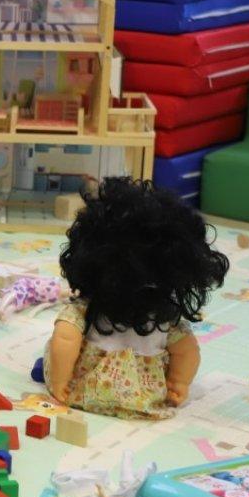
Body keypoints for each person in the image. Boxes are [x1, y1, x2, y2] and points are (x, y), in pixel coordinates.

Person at [44, 177, 229, 419]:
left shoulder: (90, 309)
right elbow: (187, 351)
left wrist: (61, 380)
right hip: (144, 396)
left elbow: (65, 339)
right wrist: (178, 382)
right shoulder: (164, 317)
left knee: (55, 352)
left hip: (88, 391)